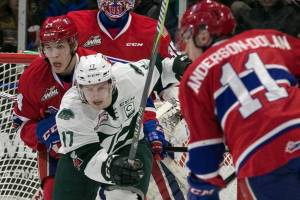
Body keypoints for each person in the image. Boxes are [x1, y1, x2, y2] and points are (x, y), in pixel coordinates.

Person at [178, 0, 300, 200]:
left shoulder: (194, 75)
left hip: (262, 156)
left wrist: (201, 193)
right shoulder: (268, 38)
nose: (185, 49)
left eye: (187, 37)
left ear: (202, 36)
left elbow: (206, 148)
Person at [67, 1, 185, 198]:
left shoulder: (152, 31)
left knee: (127, 188)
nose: (115, 2)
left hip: (136, 120)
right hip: (88, 120)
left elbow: (172, 84)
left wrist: (159, 120)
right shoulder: (74, 24)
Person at [53, 53, 188, 199]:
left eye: (101, 87)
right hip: (82, 162)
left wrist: (180, 66)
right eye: (89, 89)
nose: (96, 96)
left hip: (130, 145)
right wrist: (111, 166)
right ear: (79, 88)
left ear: (112, 82)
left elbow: (163, 69)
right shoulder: (71, 111)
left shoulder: (130, 76)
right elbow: (87, 157)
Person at [12, 15, 96, 200]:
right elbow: (21, 124)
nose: (54, 55)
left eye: (59, 46)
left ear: (73, 44)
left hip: (97, 146)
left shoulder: (97, 64)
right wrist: (43, 131)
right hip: (56, 157)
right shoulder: (32, 78)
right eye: (48, 47)